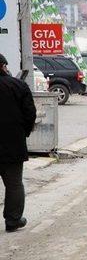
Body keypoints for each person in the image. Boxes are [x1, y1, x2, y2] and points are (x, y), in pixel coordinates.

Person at [0, 54, 36, 232]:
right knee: (14, 183)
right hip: (12, 143)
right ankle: (13, 220)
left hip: (12, 142)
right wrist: (24, 133)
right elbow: (30, 114)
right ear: (3, 66)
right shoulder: (18, 85)